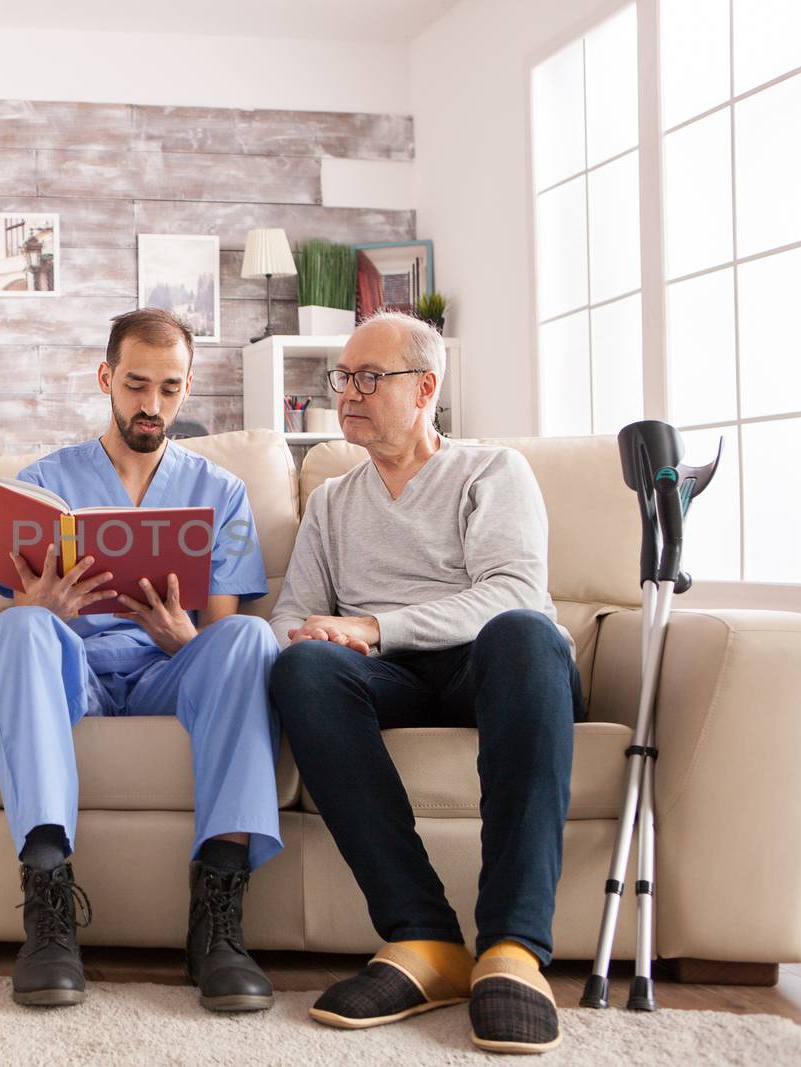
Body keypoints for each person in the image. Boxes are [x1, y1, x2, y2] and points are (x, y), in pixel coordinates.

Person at [267, 311, 580, 1055]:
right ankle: (426, 939)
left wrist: (374, 626)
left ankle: (513, 948)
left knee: (525, 632)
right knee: (304, 666)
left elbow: (511, 592)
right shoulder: (334, 502)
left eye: (371, 377)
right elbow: (291, 616)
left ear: (426, 387)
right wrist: (315, 635)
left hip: (494, 664)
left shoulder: (490, 472)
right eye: (344, 377)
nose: (350, 392)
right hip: (392, 679)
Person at [0, 307, 281, 1012]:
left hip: (167, 674)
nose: (152, 405)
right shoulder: (43, 481)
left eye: (169, 389)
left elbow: (224, 630)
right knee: (19, 627)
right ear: (106, 378)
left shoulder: (221, 492)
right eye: (136, 384)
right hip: (73, 670)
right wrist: (42, 610)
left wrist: (185, 637)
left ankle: (218, 916)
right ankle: (49, 907)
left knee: (250, 640)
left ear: (187, 387)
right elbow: (17, 600)